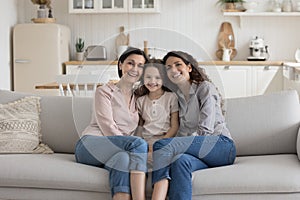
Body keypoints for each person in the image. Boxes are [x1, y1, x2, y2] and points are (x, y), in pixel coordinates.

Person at [151, 51, 236, 200]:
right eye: (169, 67)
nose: (174, 70)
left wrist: (173, 147)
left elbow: (206, 129)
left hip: (221, 146)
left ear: (189, 68)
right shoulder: (176, 97)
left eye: (178, 65)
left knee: (162, 145)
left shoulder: (205, 88)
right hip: (200, 152)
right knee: (180, 161)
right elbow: (182, 132)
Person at [75, 47, 149, 200]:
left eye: (140, 65)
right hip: (90, 144)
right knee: (138, 144)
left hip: (117, 152)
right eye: (130, 63)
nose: (135, 69)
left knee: (123, 159)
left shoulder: (139, 99)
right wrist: (132, 145)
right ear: (121, 65)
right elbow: (107, 126)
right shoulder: (104, 92)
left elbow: (142, 128)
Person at [135, 59, 179, 168]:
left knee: (161, 160)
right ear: (143, 78)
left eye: (157, 78)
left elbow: (174, 126)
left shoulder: (171, 97)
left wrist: (159, 144)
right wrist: (143, 144)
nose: (152, 81)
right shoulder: (140, 100)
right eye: (148, 77)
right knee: (139, 161)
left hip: (165, 140)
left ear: (163, 79)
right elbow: (139, 126)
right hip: (145, 142)